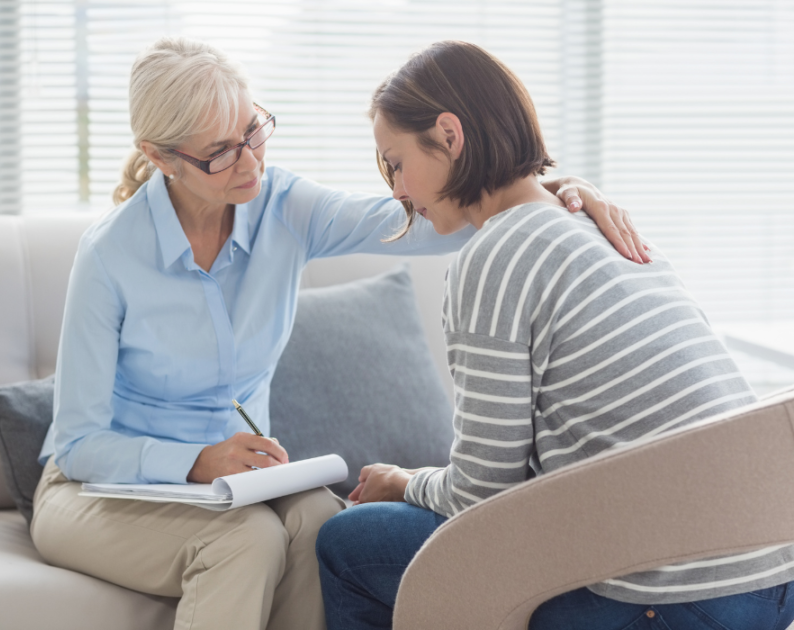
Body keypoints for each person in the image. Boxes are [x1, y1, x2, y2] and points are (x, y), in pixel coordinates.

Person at [29, 36, 647, 630]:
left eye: (253, 132)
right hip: (96, 493)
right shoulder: (111, 255)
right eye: (221, 152)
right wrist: (195, 461)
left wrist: (559, 191)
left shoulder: (282, 206)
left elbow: (436, 215)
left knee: (323, 523)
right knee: (245, 542)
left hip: (233, 487)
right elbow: (79, 442)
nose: (251, 162)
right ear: (161, 156)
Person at [315, 40, 794, 630]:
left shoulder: (492, 257)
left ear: (448, 134)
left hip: (669, 596)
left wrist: (403, 482)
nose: (397, 190)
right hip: (770, 579)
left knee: (346, 542)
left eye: (394, 162)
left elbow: (480, 497)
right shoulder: (601, 228)